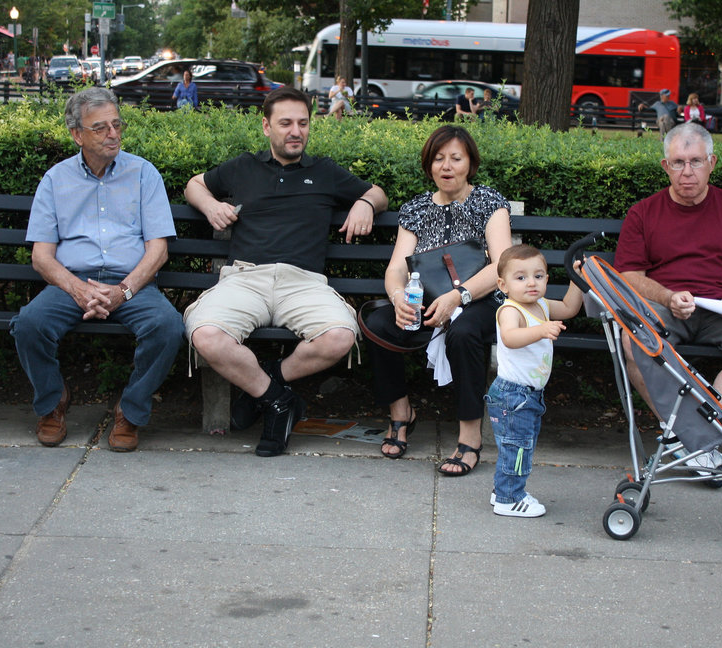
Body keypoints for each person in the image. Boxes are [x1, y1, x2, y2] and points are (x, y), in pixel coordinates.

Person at [183, 86, 387, 457]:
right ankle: (279, 402)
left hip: (303, 283)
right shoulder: (243, 166)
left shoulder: (324, 172)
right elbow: (194, 184)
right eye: (286, 123)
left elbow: (378, 193)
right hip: (245, 278)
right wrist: (211, 205)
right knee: (207, 336)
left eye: (303, 123)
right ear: (266, 126)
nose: (296, 131)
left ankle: (264, 387)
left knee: (340, 337)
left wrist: (364, 203)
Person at [9, 87, 185, 452]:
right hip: (71, 284)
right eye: (100, 127)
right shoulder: (55, 180)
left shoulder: (143, 174)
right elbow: (42, 258)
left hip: (132, 284)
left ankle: (131, 413)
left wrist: (124, 291)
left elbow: (158, 250)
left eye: (117, 124)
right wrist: (78, 290)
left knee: (167, 327)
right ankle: (52, 402)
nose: (113, 134)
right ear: (77, 134)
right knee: (29, 324)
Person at [613, 122, 722, 470]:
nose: (687, 171)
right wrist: (668, 296)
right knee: (633, 343)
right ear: (665, 166)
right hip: (667, 306)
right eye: (678, 162)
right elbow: (629, 275)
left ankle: (696, 430)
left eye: (696, 161)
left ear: (712, 163)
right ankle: (689, 435)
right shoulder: (643, 212)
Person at [361, 125, 512, 475]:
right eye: (439, 159)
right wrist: (398, 298)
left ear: (469, 163)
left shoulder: (489, 203)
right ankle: (401, 414)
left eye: (455, 158)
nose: (447, 166)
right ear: (429, 165)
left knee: (464, 333)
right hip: (427, 301)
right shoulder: (415, 209)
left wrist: (458, 296)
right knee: (379, 323)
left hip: (481, 300)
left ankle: (470, 437)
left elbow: (503, 265)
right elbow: (396, 269)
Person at [486, 244, 582, 517]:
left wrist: (576, 279)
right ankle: (509, 498)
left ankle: (502, 490)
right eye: (521, 277)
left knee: (517, 445)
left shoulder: (541, 304)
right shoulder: (510, 310)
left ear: (546, 280)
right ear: (503, 285)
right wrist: (540, 330)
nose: (531, 283)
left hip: (529, 394)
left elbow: (568, 307)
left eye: (538, 276)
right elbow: (510, 338)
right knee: (517, 448)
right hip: (512, 394)